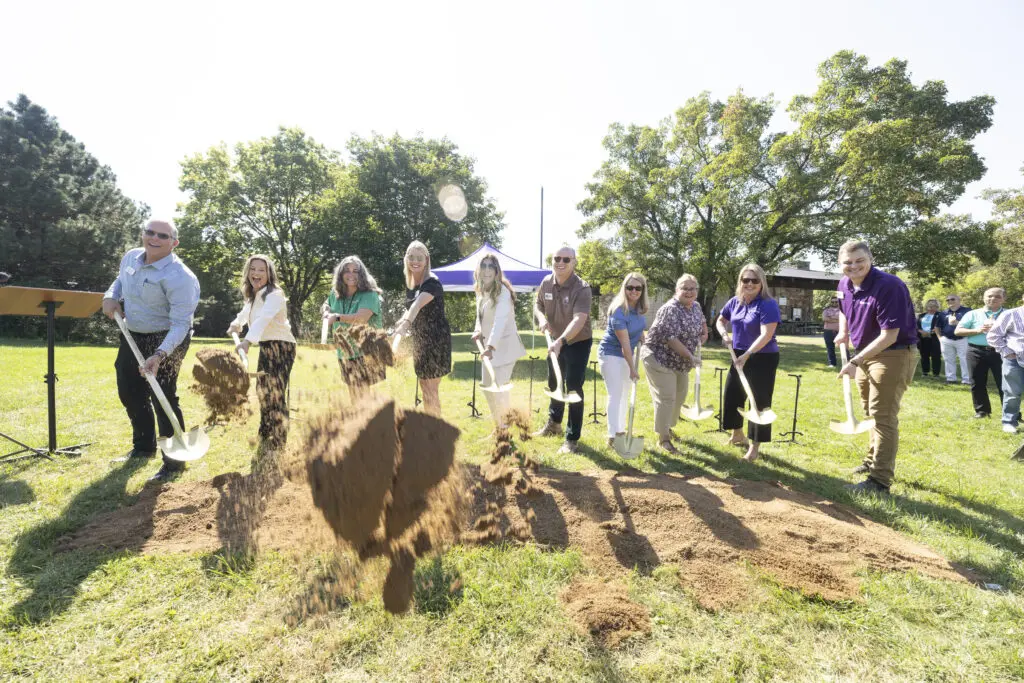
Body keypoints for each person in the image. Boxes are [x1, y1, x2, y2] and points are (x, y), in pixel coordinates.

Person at [101, 219, 200, 482]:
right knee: (130, 390)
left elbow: (181, 324)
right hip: (133, 333)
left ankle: (174, 462)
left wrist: (159, 355)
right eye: (150, 232)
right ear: (143, 234)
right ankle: (144, 447)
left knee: (163, 395)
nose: (154, 238)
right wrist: (110, 296)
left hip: (168, 338)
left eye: (163, 236)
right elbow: (119, 280)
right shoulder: (132, 256)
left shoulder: (180, 277)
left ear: (174, 243)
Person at [834, 239, 918, 495]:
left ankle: (879, 481)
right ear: (841, 264)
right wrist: (843, 331)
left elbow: (890, 335)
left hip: (893, 353)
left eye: (860, 260)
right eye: (848, 263)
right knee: (869, 411)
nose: (854, 266)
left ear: (870, 259)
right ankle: (872, 461)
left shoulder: (889, 286)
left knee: (883, 416)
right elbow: (843, 309)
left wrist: (854, 361)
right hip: (864, 353)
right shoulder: (843, 284)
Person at [228, 255, 296, 452]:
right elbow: (245, 313)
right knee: (262, 389)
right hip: (267, 346)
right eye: (253, 269)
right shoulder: (254, 295)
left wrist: (248, 341)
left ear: (269, 274)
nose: (256, 273)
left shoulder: (274, 294)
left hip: (283, 346)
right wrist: (237, 323)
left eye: (261, 270)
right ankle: (266, 430)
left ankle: (279, 439)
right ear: (248, 272)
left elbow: (264, 319)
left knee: (274, 392)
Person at [715, 264, 781, 462]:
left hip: (762, 356)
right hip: (738, 353)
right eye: (746, 280)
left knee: (758, 401)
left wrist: (748, 354)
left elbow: (767, 334)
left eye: (754, 280)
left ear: (762, 283)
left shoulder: (767, 304)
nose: (750, 284)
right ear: (740, 282)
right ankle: (737, 435)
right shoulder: (735, 302)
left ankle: (754, 447)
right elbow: (720, 320)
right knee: (733, 394)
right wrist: (724, 334)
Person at [533, 246, 593, 454]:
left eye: (566, 259)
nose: (560, 262)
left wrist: (561, 341)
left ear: (574, 262)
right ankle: (554, 424)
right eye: (556, 257)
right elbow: (538, 305)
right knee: (553, 381)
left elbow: (579, 320)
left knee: (574, 387)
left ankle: (571, 438)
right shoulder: (546, 282)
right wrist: (542, 320)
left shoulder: (582, 288)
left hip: (577, 341)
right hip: (554, 341)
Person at [641, 274, 707, 454]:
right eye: (684, 288)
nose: (689, 292)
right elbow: (671, 339)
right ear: (676, 290)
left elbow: (702, 321)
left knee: (680, 395)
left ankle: (667, 426)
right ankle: (663, 439)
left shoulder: (696, 306)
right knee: (666, 397)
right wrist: (691, 357)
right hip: (658, 356)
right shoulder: (670, 309)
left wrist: (704, 333)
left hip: (679, 361)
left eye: (692, 288)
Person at [394, 241, 451, 415]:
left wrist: (406, 323)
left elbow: (416, 306)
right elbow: (409, 309)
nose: (415, 261)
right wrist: (400, 323)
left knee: (431, 390)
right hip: (421, 341)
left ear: (426, 260)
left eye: (419, 257)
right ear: (406, 260)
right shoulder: (412, 286)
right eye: (411, 257)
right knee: (424, 387)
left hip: (436, 341)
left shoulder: (432, 282)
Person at [470, 254, 526, 427]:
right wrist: (478, 330)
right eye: (483, 266)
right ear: (478, 270)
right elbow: (481, 316)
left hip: (504, 348)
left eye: (491, 266)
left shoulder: (503, 292)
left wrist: (491, 346)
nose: (487, 270)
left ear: (496, 271)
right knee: (488, 388)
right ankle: (499, 426)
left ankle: (504, 434)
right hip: (489, 349)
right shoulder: (481, 290)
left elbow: (500, 321)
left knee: (499, 391)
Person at [597, 273, 648, 451]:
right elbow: (624, 345)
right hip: (611, 354)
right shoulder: (619, 311)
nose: (633, 291)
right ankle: (612, 436)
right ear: (624, 289)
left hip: (628, 354)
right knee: (615, 394)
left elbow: (637, 327)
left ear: (643, 291)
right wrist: (633, 369)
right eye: (630, 287)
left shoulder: (639, 310)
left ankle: (621, 431)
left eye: (638, 288)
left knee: (626, 395)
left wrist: (641, 335)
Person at [322, 256, 384, 399]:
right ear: (341, 274)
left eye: (355, 271)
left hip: (366, 350)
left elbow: (361, 318)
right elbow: (326, 304)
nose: (351, 274)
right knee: (354, 394)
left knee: (361, 395)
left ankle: (369, 420)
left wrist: (337, 317)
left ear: (361, 274)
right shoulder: (336, 292)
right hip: (345, 351)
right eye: (347, 271)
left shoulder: (369, 293)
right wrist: (325, 310)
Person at [955, 288, 1006, 419]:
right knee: (977, 382)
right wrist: (977, 330)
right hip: (975, 351)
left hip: (1001, 351)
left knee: (1005, 384)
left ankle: (1011, 414)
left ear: (1003, 299)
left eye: (997, 297)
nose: (993, 299)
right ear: (983, 298)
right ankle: (982, 412)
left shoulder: (1008, 314)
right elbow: (958, 331)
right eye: (989, 296)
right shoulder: (973, 314)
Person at [987, 292, 1024, 434]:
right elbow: (993, 335)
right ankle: (1009, 422)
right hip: (1015, 360)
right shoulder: (1011, 314)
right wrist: (1007, 353)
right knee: (1013, 392)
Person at [938, 293, 972, 384]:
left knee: (964, 359)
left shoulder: (967, 311)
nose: (950, 301)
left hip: (963, 339)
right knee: (948, 359)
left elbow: (971, 324)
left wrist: (957, 322)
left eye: (952, 299)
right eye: (948, 300)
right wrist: (940, 338)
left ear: (959, 300)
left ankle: (966, 380)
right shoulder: (943, 313)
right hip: (946, 340)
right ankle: (951, 379)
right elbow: (937, 327)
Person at [917, 299, 942, 378]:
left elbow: (942, 325)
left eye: (934, 305)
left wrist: (931, 332)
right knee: (924, 355)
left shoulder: (940, 315)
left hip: (935, 338)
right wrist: (921, 331)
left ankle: (936, 374)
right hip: (923, 338)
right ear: (926, 306)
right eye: (929, 305)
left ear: (937, 306)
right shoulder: (921, 315)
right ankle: (925, 372)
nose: (931, 307)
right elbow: (916, 326)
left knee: (936, 356)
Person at [822, 297, 841, 368]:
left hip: (840, 331)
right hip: (828, 331)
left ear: (838, 302)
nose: (834, 303)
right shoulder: (826, 310)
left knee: (843, 348)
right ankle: (832, 363)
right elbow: (824, 318)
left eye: (836, 302)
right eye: (832, 302)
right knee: (830, 348)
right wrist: (837, 319)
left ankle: (847, 362)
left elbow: (845, 318)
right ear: (830, 302)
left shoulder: (843, 310)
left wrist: (830, 318)